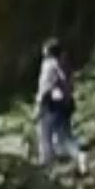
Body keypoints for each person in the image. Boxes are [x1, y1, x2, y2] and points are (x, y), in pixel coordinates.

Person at [34, 40, 81, 168]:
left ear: (48, 51)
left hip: (51, 103)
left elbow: (45, 86)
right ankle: (79, 156)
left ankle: (46, 160)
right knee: (65, 134)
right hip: (65, 102)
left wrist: (39, 104)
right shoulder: (63, 64)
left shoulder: (48, 65)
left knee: (45, 132)